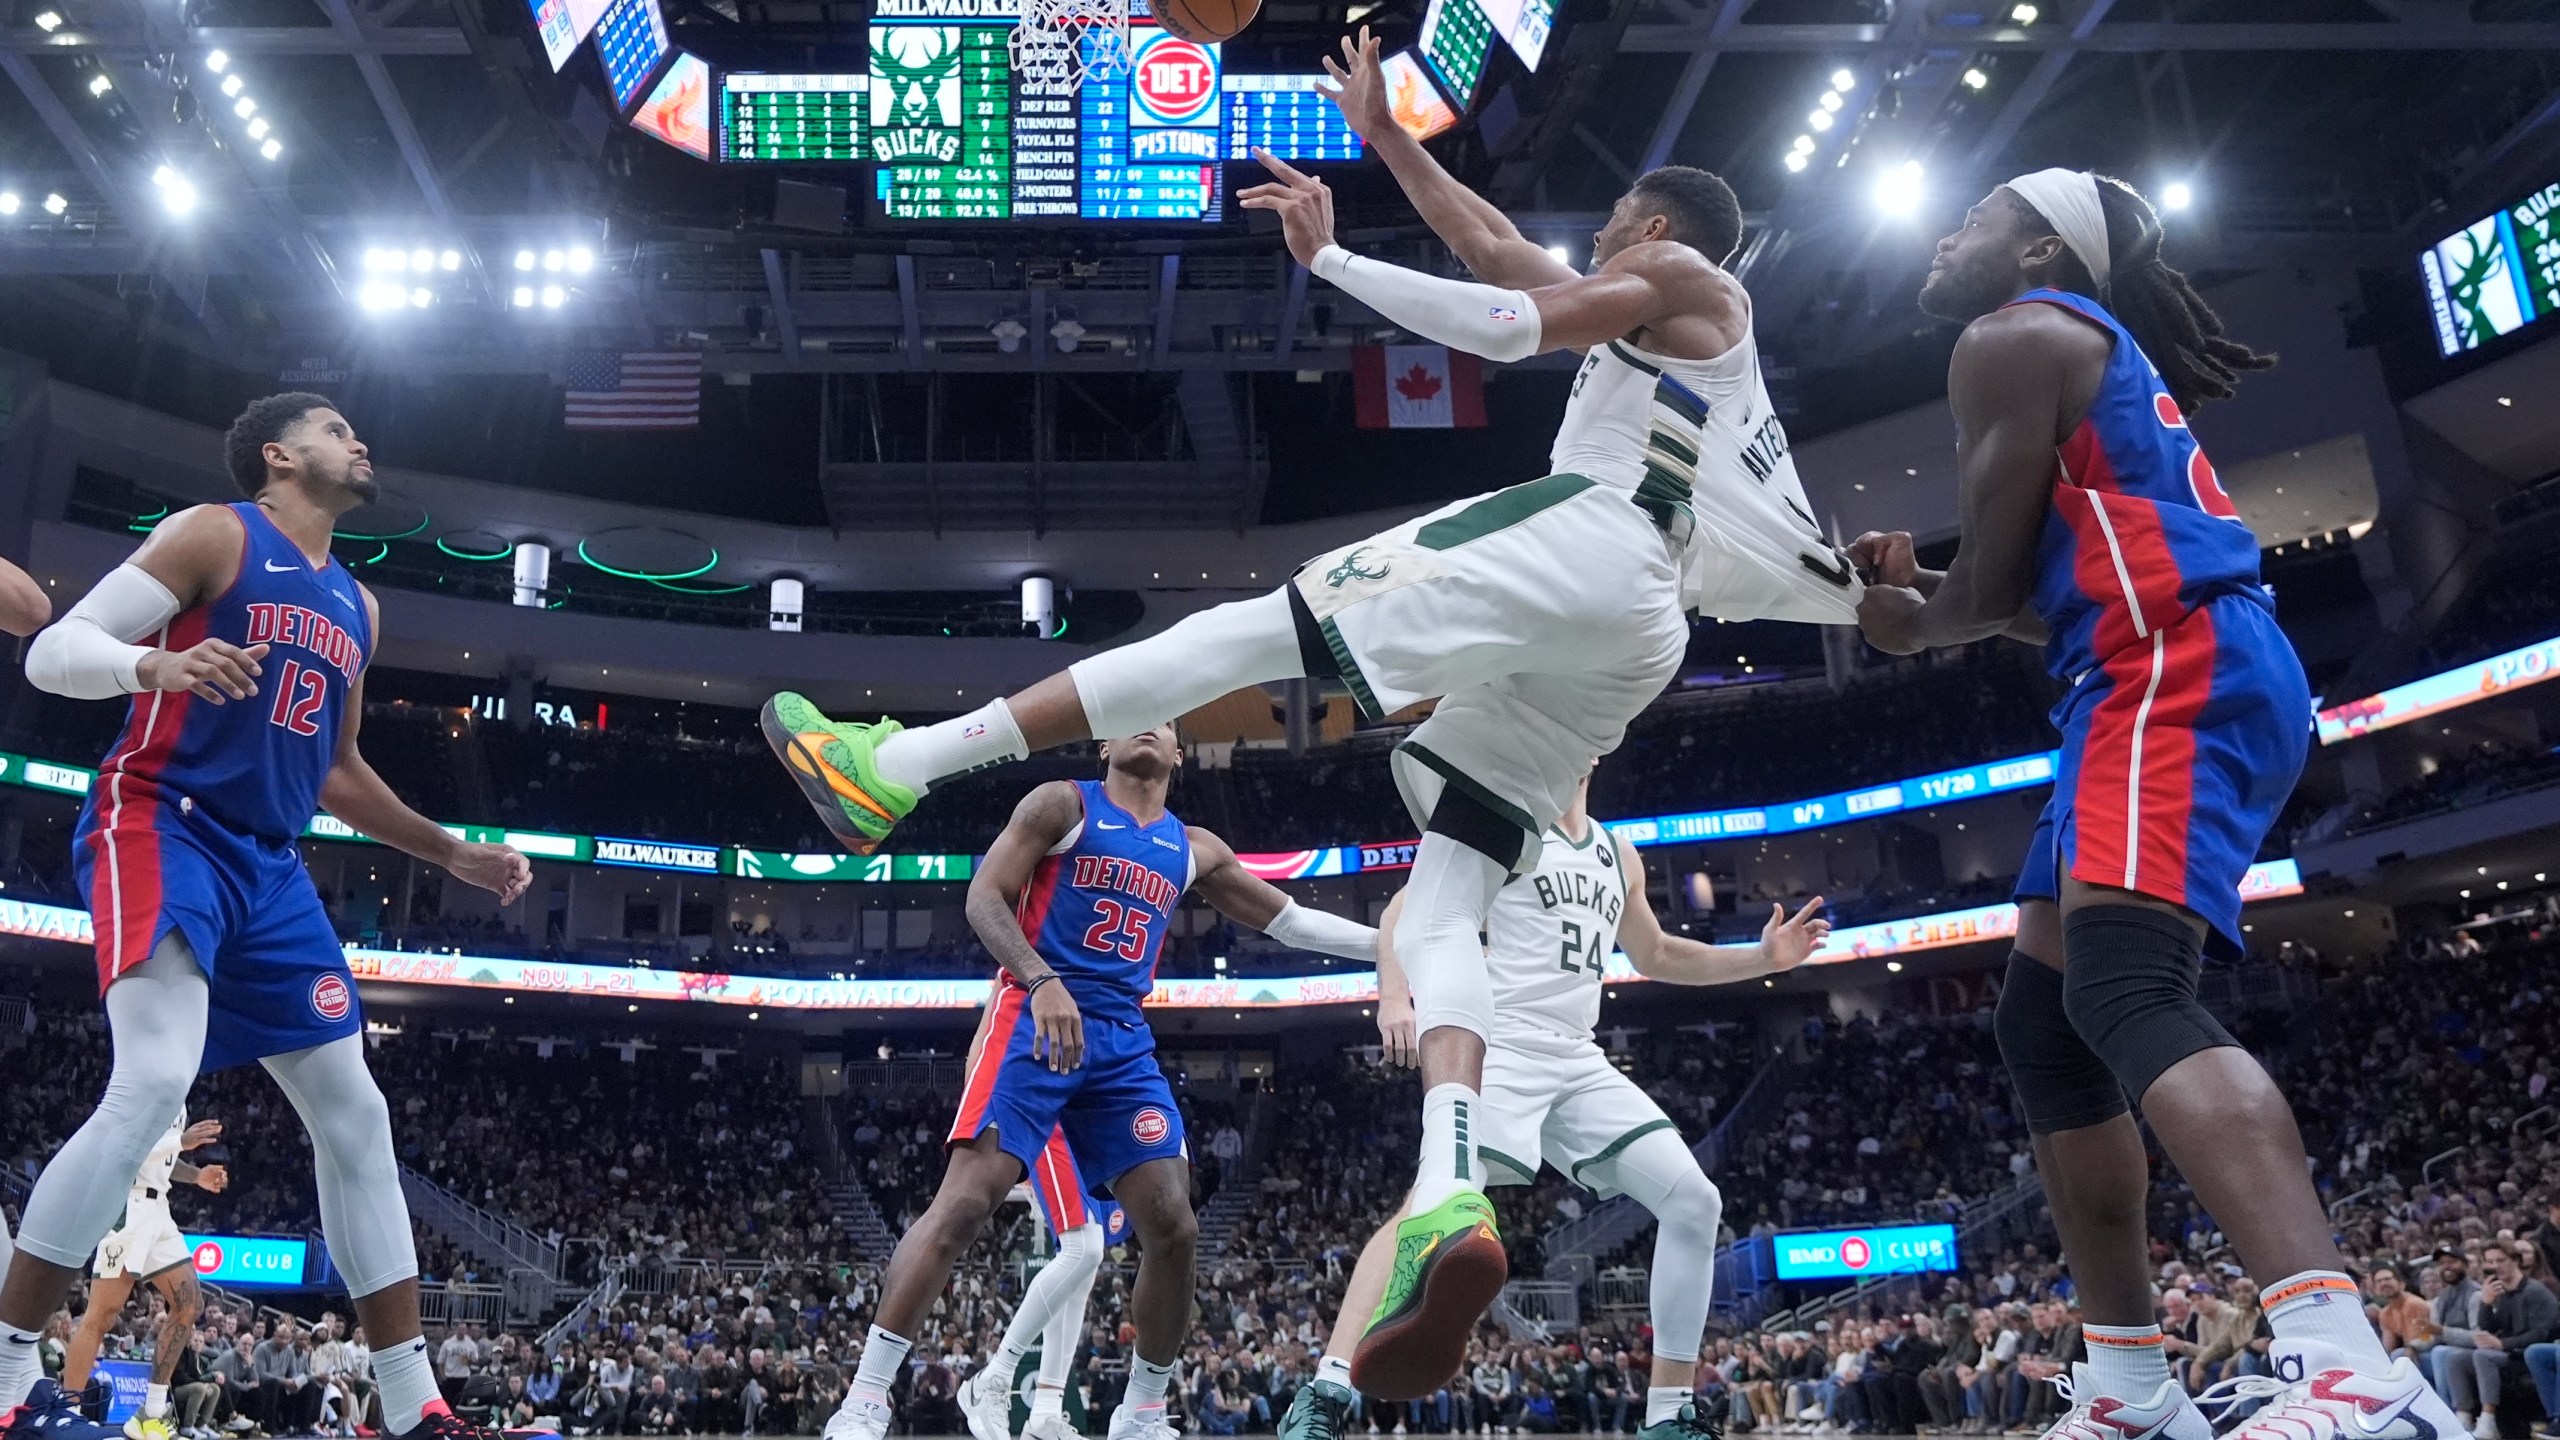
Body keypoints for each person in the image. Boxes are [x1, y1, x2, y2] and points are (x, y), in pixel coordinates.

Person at [762, 23, 1865, 1382]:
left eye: (1616, 235)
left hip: (1592, 539)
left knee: (1250, 632)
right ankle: (1448, 1186)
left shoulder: (1676, 271)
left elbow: (1516, 317)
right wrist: (1391, 140)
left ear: (1646, 225)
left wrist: (1333, 261)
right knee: (1455, 870)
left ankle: (911, 760)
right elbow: (1507, 259)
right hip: (1635, 633)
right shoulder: (1672, 345)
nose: (1599, 249)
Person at [1848, 171, 2459, 1440]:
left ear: (2035, 244)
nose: (1950, 230)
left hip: (2167, 666)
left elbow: (1975, 603)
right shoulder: (2072, 354)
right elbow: (2029, 594)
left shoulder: (2011, 336)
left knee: (2126, 991)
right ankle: (2130, 1386)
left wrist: (1911, 620)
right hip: (2138, 664)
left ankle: (2355, 1370)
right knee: (2044, 1023)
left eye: (1975, 212)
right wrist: (1931, 608)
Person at [3, 394, 536, 1440]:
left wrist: (448, 850)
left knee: (357, 1114)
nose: (362, 441)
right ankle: (11, 1374)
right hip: (164, 820)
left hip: (271, 863)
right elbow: (51, 652)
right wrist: (154, 663)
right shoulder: (215, 533)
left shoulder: (357, 606)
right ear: (280, 455)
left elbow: (336, 773)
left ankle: (408, 1402)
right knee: (154, 1077)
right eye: (339, 428)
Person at [822, 726, 1381, 1440]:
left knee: (1174, 1226)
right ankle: (866, 1399)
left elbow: (1292, 922)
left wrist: (1387, 946)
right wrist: (1040, 977)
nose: (1148, 722)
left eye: (1167, 718)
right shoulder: (1063, 805)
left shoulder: (1193, 847)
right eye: (1132, 713)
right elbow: (985, 896)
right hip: (1033, 1015)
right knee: (965, 1203)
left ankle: (1142, 1411)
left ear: (1182, 752)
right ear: (1103, 745)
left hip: (1119, 1038)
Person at [1278, 769, 1829, 1437]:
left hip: (1578, 1055)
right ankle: (1326, 1392)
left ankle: (1667, 1416)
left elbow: (1654, 953)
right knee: (1430, 1203)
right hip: (1499, 1039)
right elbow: (1403, 911)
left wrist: (1763, 956)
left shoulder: (1617, 852)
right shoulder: (1504, 821)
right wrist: (1395, 995)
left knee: (1695, 1200)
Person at [61, 1114, 228, 1440]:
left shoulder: (179, 1095)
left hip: (159, 1209)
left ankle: (150, 1412)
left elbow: (160, 1160)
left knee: (190, 1303)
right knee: (100, 1316)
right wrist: (182, 1142)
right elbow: (130, 1149)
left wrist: (196, 1176)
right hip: (129, 1204)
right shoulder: (149, 1081)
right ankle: (66, 1414)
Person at [955, 1131, 1106, 1440]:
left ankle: (1045, 1414)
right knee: (1083, 1250)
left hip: (1086, 1125)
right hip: (1049, 1116)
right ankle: (992, 1378)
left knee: (1084, 1267)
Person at [2439, 1240, 2558, 1440]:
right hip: (2511, 1353)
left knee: (2484, 1356)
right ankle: (2463, 1417)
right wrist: (2486, 1303)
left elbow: (2540, 1334)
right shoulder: (2501, 1291)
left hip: (2528, 1355)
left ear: (2515, 1260)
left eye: (2500, 1260)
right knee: (2455, 1358)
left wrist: (2502, 1344)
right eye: (2489, 1261)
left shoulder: (2535, 1291)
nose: (2494, 1266)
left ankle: (2488, 1421)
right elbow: (2489, 1327)